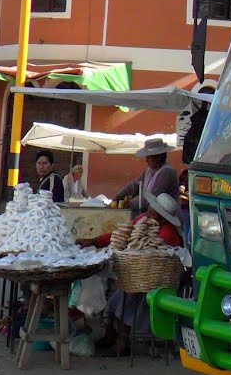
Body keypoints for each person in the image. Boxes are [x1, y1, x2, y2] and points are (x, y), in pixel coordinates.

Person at [79, 191, 185, 355]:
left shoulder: (167, 233)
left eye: (152, 213)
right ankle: (114, 336)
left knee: (124, 295)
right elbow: (119, 235)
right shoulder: (142, 221)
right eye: (149, 210)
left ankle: (122, 339)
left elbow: (157, 257)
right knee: (116, 289)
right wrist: (93, 241)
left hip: (154, 281)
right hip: (135, 275)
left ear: (161, 217)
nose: (147, 214)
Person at [114, 137, 178, 214]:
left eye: (149, 157)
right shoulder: (148, 171)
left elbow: (152, 197)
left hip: (165, 217)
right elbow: (134, 186)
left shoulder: (167, 172)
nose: (146, 160)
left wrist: (129, 204)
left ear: (158, 157)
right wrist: (117, 197)